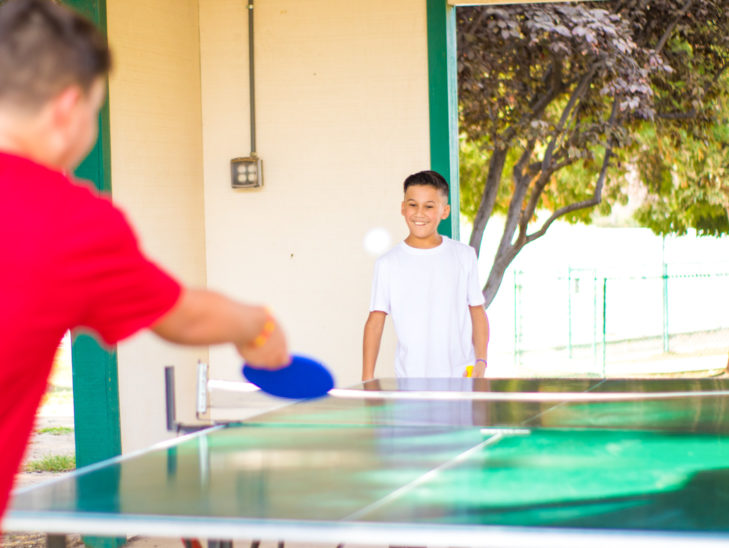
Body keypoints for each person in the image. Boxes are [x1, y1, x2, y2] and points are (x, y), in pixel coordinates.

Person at [0, 0, 289, 520]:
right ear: (67, 110)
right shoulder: (70, 223)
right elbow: (186, 316)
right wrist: (256, 324)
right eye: (95, 111)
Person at [362, 170, 489, 381]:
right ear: (403, 208)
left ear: (444, 211)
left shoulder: (464, 255)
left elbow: (477, 311)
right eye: (413, 205)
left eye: (429, 206)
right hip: (410, 381)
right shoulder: (387, 264)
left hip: (461, 379)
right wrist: (367, 379)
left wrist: (481, 361)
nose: (419, 213)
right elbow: (375, 322)